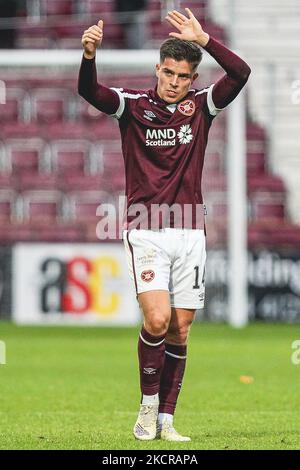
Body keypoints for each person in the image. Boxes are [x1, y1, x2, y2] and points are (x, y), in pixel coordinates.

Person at [78, 8, 251, 441]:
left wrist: (207, 41)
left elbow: (241, 72)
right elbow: (90, 92)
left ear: (193, 79)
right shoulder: (133, 106)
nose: (173, 82)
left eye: (182, 76)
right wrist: (88, 55)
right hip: (146, 226)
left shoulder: (201, 108)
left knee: (181, 327)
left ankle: (168, 420)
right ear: (157, 68)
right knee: (156, 319)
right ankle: (148, 404)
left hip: (191, 229)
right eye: (168, 72)